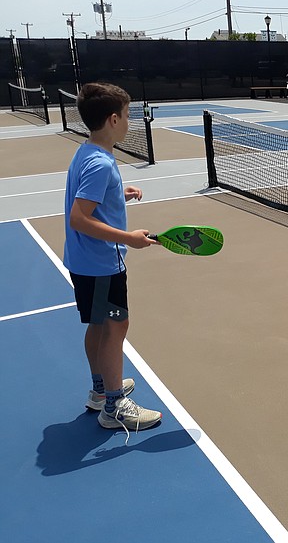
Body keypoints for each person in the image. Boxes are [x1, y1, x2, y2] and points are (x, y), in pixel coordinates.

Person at [64, 82, 162, 434]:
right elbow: (79, 217)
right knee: (116, 327)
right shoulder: (101, 164)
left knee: (98, 325)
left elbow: (87, 197)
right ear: (113, 119)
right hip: (102, 264)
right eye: (128, 115)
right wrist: (129, 240)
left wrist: (117, 192)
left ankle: (100, 388)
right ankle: (114, 406)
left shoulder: (87, 152)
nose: (130, 122)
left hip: (84, 261)